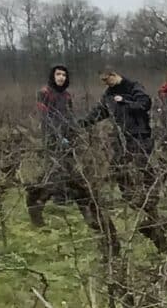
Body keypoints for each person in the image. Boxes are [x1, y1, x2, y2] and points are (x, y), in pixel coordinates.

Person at [32, 65, 99, 225]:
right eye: (58, 74)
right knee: (55, 166)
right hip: (52, 136)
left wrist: (75, 131)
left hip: (68, 136)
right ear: (52, 76)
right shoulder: (44, 93)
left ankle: (66, 195)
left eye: (64, 75)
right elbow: (46, 117)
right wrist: (57, 134)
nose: (61, 77)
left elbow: (69, 115)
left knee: (69, 165)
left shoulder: (67, 95)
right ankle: (56, 197)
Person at [95, 68, 154, 161]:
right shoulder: (108, 94)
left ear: (113, 74)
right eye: (103, 80)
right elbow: (100, 112)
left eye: (106, 79)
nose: (105, 83)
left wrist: (124, 102)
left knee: (141, 166)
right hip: (121, 136)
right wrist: (83, 123)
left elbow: (144, 104)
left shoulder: (133, 86)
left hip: (140, 135)